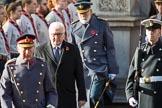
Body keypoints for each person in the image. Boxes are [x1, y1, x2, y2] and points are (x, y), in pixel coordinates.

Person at [70, 0, 119, 107]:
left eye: (85, 13)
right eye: (80, 14)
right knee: (83, 100)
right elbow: (72, 51)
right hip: (81, 70)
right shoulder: (73, 27)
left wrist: (113, 70)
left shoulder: (101, 24)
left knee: (94, 97)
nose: (83, 16)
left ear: (90, 11)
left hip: (98, 68)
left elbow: (110, 48)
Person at [35, 22, 87, 108]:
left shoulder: (73, 50)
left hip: (67, 96)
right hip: (47, 96)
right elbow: (35, 75)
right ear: (49, 34)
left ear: (64, 34)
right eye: (53, 35)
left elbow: (79, 74)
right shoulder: (40, 50)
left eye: (59, 34)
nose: (56, 38)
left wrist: (82, 97)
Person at [0, 34, 58, 108]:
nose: (27, 52)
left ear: (34, 48)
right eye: (24, 49)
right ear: (18, 49)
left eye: (30, 48)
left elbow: (51, 91)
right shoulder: (10, 67)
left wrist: (51, 105)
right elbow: (5, 94)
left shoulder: (42, 65)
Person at [125, 17, 162, 108]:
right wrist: (130, 96)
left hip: (158, 95)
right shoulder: (141, 50)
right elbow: (131, 75)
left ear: (160, 32)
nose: (151, 32)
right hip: (142, 93)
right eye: (148, 29)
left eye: (154, 29)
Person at [0, 5, 10, 77]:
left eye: (4, 13)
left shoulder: (1, 29)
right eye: (1, 14)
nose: (4, 16)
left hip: (4, 60)